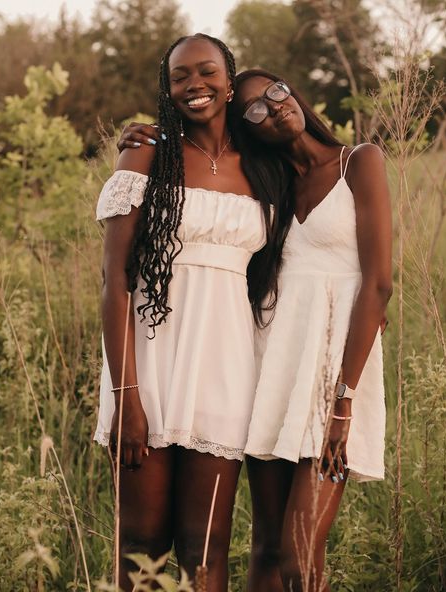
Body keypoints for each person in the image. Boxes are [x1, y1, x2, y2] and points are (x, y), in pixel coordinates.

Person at [118, 67, 392, 591]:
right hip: (269, 367)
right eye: (256, 109)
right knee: (265, 546)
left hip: (333, 377)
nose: (274, 105)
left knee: (299, 554)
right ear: (246, 128)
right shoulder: (270, 185)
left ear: (292, 91)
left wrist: (343, 402)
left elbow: (378, 286)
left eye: (276, 92)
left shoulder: (360, 161)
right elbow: (204, 168)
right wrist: (141, 139)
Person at [95, 38, 290, 592]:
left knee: (205, 548)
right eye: (180, 77)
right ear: (168, 88)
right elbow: (114, 281)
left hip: (226, 368)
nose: (194, 85)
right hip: (149, 364)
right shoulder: (147, 152)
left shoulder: (264, 166)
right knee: (141, 543)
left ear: (230, 81)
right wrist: (125, 395)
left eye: (207, 72)